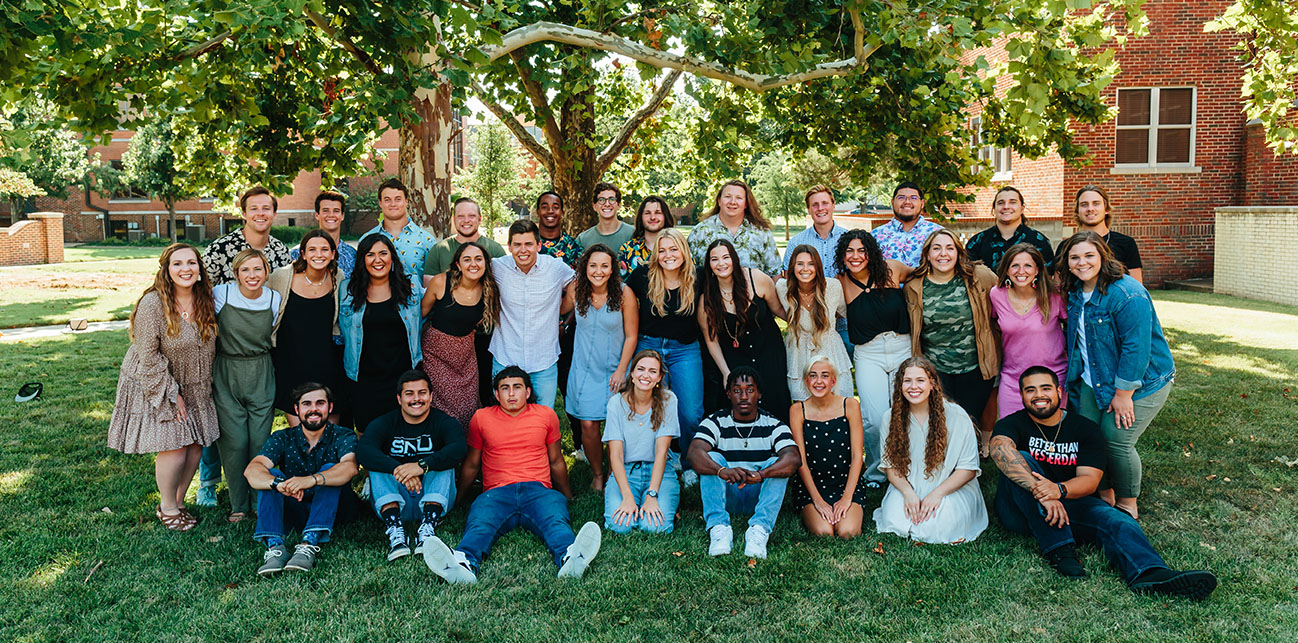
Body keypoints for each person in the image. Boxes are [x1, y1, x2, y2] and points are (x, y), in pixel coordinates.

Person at [990, 368, 1216, 598]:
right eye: (1030, 390)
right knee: (1019, 461)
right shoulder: (1011, 424)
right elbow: (999, 450)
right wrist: (1043, 493)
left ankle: (1150, 573)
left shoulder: (1084, 429)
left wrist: (1058, 490)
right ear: (1022, 396)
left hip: (1069, 502)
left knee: (1115, 517)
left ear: (1059, 391)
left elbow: (1089, 480)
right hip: (1019, 511)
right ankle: (1061, 549)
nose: (1039, 395)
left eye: (1046, 388)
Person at [422, 367, 603, 583]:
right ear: (496, 394)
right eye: (504, 389)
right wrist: (460, 499)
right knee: (480, 525)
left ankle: (571, 556)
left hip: (538, 489)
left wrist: (567, 496)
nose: (511, 394)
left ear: (527, 392)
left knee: (555, 522)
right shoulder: (482, 418)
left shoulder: (546, 415)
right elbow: (471, 464)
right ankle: (463, 563)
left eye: (517, 388)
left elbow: (556, 461)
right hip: (496, 492)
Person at [1058, 231, 1175, 520]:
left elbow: (1137, 348)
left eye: (1089, 255)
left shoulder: (1127, 293)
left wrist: (1124, 395)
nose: (1081, 262)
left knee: (1115, 440)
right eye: (1075, 257)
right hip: (1093, 378)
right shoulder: (1074, 292)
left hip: (1141, 382)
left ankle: (1127, 503)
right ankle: (1105, 494)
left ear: (1102, 256)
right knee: (1090, 438)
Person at [107, 243, 220, 531]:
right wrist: (172, 394)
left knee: (195, 445)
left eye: (191, 263)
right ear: (166, 271)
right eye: (178, 264)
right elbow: (148, 355)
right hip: (156, 378)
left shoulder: (205, 298)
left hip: (195, 380)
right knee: (175, 446)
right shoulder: (153, 304)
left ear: (199, 268)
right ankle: (167, 506)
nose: (186, 269)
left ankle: (178, 502)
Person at [197, 186, 293, 507]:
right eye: (254, 208)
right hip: (224, 350)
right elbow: (198, 289)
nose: (261, 214)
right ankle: (209, 483)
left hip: (260, 354)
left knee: (255, 434)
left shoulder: (280, 252)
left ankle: (257, 497)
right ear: (244, 213)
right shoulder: (222, 248)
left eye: (267, 208)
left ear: (274, 213)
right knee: (224, 430)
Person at [244, 383, 360, 575]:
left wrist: (312, 480)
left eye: (320, 403)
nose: (313, 409)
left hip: (335, 510)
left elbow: (350, 467)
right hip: (295, 508)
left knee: (331, 471)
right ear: (297, 409)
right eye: (306, 404)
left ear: (329, 408)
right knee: (271, 475)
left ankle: (309, 544)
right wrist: (279, 485)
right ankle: (275, 549)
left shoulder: (343, 435)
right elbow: (252, 470)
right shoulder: (283, 437)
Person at [687, 367, 801, 559]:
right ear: (729, 394)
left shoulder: (773, 424)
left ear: (759, 394)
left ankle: (759, 530)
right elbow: (694, 453)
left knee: (777, 463)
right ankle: (719, 528)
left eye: (750, 390)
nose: (744, 396)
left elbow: (793, 458)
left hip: (759, 496)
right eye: (737, 390)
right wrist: (722, 470)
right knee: (711, 458)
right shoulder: (715, 422)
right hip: (726, 493)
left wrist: (763, 474)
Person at [873, 357, 987, 544]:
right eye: (907, 381)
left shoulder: (956, 415)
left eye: (920, 380)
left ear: (932, 383)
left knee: (935, 528)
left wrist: (936, 494)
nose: (913, 386)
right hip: (908, 486)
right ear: (900, 385)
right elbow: (890, 467)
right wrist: (909, 494)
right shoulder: (890, 418)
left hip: (949, 488)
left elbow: (968, 469)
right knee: (895, 522)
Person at [904, 229, 1000, 450]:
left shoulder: (979, 277)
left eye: (949, 248)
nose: (943, 254)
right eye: (936, 248)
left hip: (975, 367)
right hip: (935, 369)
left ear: (958, 252)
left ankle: (968, 465)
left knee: (968, 421)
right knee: (940, 423)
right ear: (927, 254)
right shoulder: (914, 286)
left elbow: (1006, 294)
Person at [356, 371, 466, 561]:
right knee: (377, 464)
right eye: (409, 394)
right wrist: (398, 469)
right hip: (396, 498)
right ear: (399, 399)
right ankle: (395, 529)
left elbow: (458, 448)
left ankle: (428, 529)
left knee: (443, 461)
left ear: (431, 396)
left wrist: (422, 465)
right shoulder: (386, 422)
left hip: (434, 497)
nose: (416, 399)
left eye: (422, 393)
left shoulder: (444, 422)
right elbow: (364, 451)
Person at [626, 228, 706, 481]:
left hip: (685, 348)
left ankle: (689, 462)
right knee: (647, 408)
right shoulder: (641, 276)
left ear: (683, 251)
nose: (668, 255)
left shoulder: (699, 276)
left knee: (691, 412)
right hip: (648, 347)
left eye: (674, 249)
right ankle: (653, 461)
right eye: (662, 250)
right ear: (655, 254)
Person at [836, 230, 911, 489]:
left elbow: (925, 278)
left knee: (904, 411)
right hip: (868, 352)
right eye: (850, 251)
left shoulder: (892, 269)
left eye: (861, 250)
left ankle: (908, 466)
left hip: (903, 346)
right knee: (874, 417)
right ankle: (878, 470)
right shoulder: (840, 283)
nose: (856, 257)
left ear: (871, 252)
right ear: (842, 255)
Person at [212, 248, 282, 523]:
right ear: (236, 273)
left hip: (261, 371)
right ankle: (238, 504)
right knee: (235, 442)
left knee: (260, 442)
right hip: (227, 370)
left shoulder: (274, 299)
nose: (252, 275)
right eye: (245, 270)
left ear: (266, 272)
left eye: (258, 269)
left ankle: (258, 499)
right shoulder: (222, 294)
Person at [563, 244, 638, 492]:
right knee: (588, 425)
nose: (598, 271)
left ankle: (612, 472)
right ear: (584, 268)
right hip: (584, 369)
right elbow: (555, 309)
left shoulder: (624, 294)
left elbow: (631, 336)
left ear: (612, 268)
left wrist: (621, 371)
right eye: (593, 265)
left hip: (615, 368)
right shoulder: (576, 290)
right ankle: (597, 473)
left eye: (604, 265)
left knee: (616, 425)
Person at [339, 234, 424, 433]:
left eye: (383, 253)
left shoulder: (410, 286)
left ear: (392, 258)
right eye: (370, 255)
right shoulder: (347, 290)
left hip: (403, 377)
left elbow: (426, 316)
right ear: (362, 261)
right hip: (364, 378)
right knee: (368, 435)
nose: (378, 260)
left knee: (403, 434)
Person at [699, 239, 790, 422]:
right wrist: (726, 372)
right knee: (741, 412)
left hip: (770, 353)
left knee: (776, 405)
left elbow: (780, 311)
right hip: (736, 360)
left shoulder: (757, 279)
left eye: (726, 257)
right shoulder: (706, 300)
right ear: (709, 265)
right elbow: (712, 340)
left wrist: (808, 325)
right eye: (714, 259)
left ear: (734, 259)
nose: (721, 263)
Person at [490, 219, 576, 409]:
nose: (523, 250)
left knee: (543, 417)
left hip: (543, 360)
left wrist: (560, 310)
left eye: (529, 244)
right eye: (517, 244)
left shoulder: (555, 267)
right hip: (505, 356)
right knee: (504, 416)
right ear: (510, 246)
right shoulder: (496, 267)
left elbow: (575, 283)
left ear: (538, 245)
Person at [420, 241, 499, 429]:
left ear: (486, 263)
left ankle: (465, 453)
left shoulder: (489, 290)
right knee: (439, 408)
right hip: (435, 355)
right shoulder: (440, 283)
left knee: (468, 408)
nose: (473, 264)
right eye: (467, 259)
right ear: (458, 264)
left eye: (478, 259)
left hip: (465, 358)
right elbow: (419, 316)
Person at [269, 230, 345, 427]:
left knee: (329, 432)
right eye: (312, 249)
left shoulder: (338, 276)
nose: (318, 254)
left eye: (324, 249)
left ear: (333, 254)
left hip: (326, 363)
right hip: (291, 363)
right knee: (301, 433)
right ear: (302, 253)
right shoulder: (282, 277)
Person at [603, 350, 681, 534]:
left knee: (654, 527)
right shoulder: (616, 403)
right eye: (641, 369)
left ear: (659, 378)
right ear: (632, 373)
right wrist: (627, 496)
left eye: (652, 371)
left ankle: (664, 500)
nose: (645, 375)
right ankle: (635, 501)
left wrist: (652, 495)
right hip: (626, 471)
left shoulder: (669, 400)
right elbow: (616, 454)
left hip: (660, 472)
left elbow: (662, 452)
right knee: (620, 526)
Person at [789, 357, 864, 538]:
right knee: (824, 532)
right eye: (813, 376)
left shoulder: (850, 405)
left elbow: (856, 457)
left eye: (825, 375)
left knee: (848, 531)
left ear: (833, 381)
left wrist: (846, 498)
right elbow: (801, 461)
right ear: (806, 381)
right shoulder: (798, 410)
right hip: (812, 485)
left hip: (845, 482)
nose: (819, 381)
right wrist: (818, 501)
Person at [991, 243, 1067, 419]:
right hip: (1013, 379)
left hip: (1052, 378)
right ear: (1007, 270)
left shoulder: (1054, 295)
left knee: (1049, 438)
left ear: (1037, 270)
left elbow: (1074, 329)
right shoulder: (997, 294)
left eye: (1027, 266)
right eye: (1015, 265)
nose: (1021, 271)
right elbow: (993, 325)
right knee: (1010, 434)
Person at [777, 244, 852, 401]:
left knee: (839, 401)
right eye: (800, 264)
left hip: (829, 348)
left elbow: (846, 313)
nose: (806, 269)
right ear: (792, 266)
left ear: (818, 266)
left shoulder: (832, 287)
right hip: (798, 351)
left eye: (811, 264)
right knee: (802, 404)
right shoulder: (783, 288)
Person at [782, 185, 850, 347]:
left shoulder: (849, 239)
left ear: (833, 205)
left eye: (825, 203)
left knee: (841, 369)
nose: (821, 208)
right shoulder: (796, 243)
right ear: (809, 209)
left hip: (845, 322)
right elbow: (788, 281)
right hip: (808, 326)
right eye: (815, 205)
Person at [687, 179, 780, 275]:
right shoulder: (700, 232)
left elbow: (774, 273)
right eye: (727, 197)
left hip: (754, 290)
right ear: (719, 201)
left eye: (739, 198)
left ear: (746, 204)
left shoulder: (761, 233)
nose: (732, 202)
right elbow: (687, 271)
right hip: (710, 290)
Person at [361, 178, 438, 286]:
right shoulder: (366, 239)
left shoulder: (426, 240)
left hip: (416, 302)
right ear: (380, 203)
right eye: (387, 200)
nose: (393, 204)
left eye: (398, 199)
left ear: (406, 201)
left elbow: (433, 285)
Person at [1059, 185, 1143, 283]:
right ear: (1077, 211)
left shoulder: (1126, 243)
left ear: (1106, 209)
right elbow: (1058, 289)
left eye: (1096, 203)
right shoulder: (1065, 246)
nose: (1090, 208)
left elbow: (1137, 287)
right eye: (1084, 204)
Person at [965, 186, 1054, 270]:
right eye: (1001, 203)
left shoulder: (1038, 241)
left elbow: (1047, 279)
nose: (1006, 207)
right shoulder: (977, 242)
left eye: (1012, 202)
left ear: (1022, 208)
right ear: (994, 209)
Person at [423, 197, 506, 276]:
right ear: (454, 219)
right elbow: (430, 287)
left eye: (471, 216)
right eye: (461, 216)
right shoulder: (439, 250)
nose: (466, 220)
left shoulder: (495, 250)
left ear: (479, 219)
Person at [870, 181, 945, 268]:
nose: (907, 202)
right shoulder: (876, 235)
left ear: (922, 203)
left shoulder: (938, 233)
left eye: (913, 198)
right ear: (892, 202)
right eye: (901, 198)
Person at [289, 190, 357, 277]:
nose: (331, 215)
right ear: (317, 215)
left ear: (342, 215)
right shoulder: (296, 254)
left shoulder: (352, 255)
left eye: (336, 211)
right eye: (326, 210)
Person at [618, 195, 674, 276]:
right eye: (647, 213)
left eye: (658, 213)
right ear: (641, 218)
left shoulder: (679, 247)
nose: (652, 217)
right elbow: (620, 283)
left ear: (665, 216)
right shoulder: (627, 249)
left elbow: (691, 277)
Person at [577, 182, 635, 253]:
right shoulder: (583, 239)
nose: (607, 204)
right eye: (601, 200)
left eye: (612, 199)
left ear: (619, 205)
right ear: (594, 206)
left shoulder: (633, 234)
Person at [535, 191, 584, 268]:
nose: (550, 211)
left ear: (562, 212)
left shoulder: (573, 247)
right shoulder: (528, 243)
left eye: (555, 207)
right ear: (538, 212)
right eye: (544, 207)